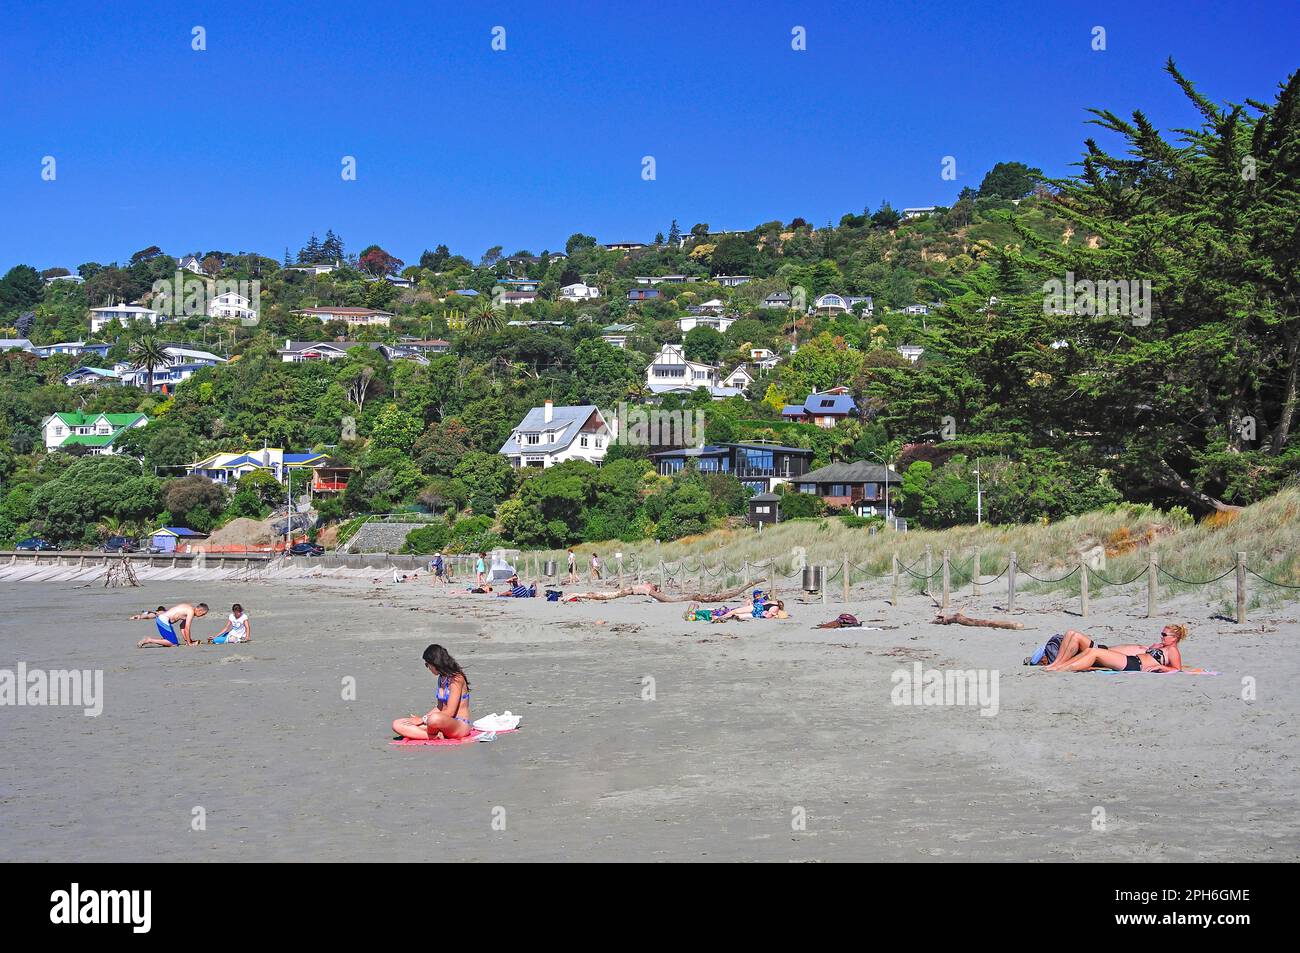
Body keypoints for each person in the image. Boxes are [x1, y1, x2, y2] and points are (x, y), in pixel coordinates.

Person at [392, 644, 473, 740]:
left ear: (435, 663)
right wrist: (422, 719)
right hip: (440, 723)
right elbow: (440, 707)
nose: (428, 668)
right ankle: (434, 736)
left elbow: (450, 712)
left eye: (427, 664)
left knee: (434, 719)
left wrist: (423, 720)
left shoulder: (456, 679)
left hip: (458, 725)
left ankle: (425, 733)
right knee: (397, 724)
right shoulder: (441, 678)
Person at [1045, 624, 1187, 673]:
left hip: (1135, 665)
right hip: (1132, 661)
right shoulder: (1163, 647)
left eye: (1164, 635)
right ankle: (1057, 665)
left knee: (1094, 652)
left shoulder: (1172, 651)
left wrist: (1163, 668)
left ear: (1174, 638)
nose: (1161, 636)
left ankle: (1061, 669)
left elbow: (1177, 669)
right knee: (1090, 651)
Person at [137, 603, 209, 647]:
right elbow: (187, 628)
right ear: (200, 610)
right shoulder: (190, 611)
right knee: (173, 643)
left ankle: (163, 641)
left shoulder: (188, 608)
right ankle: (149, 640)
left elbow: (182, 626)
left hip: (162, 620)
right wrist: (190, 643)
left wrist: (187, 640)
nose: (202, 616)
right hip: (163, 620)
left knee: (171, 641)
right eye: (203, 614)